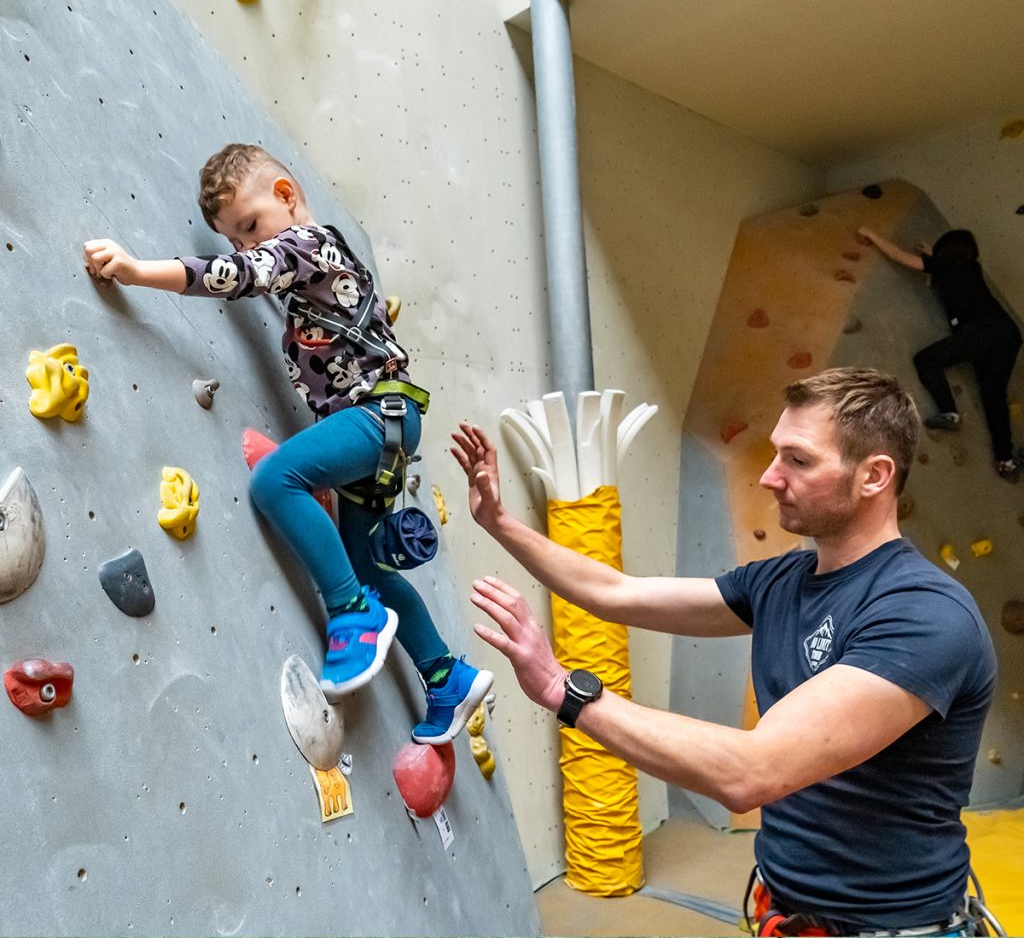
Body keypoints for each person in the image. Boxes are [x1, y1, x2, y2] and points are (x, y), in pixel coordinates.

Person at [452, 367, 996, 936]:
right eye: (775, 454)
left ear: (874, 476)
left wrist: (564, 691)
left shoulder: (922, 613)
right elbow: (614, 593)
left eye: (798, 460)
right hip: (785, 910)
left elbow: (750, 773)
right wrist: (498, 521)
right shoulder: (783, 580)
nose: (769, 476)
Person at [83, 143, 491, 744]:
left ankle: (351, 614)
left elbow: (239, 277)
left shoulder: (308, 244)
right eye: (236, 239)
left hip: (376, 415)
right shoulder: (312, 272)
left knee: (277, 480)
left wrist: (139, 269)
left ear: (285, 196)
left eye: (250, 226)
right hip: (390, 423)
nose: (248, 247)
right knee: (364, 562)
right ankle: (445, 677)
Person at [858, 226, 1021, 482]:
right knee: (994, 397)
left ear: (946, 250)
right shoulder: (970, 269)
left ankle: (950, 412)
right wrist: (933, 256)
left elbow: (898, 255)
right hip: (1008, 335)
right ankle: (1006, 460)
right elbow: (948, 271)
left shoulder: (945, 265)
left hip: (982, 332)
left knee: (926, 360)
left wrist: (872, 233)